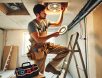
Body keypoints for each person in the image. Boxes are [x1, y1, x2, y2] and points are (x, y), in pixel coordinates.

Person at [28, 4, 69, 75]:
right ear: (37, 14)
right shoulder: (32, 24)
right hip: (38, 50)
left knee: (65, 50)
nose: (45, 13)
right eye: (43, 12)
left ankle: (50, 66)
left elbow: (58, 23)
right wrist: (53, 35)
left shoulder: (45, 21)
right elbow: (38, 39)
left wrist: (62, 12)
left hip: (45, 46)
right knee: (39, 73)